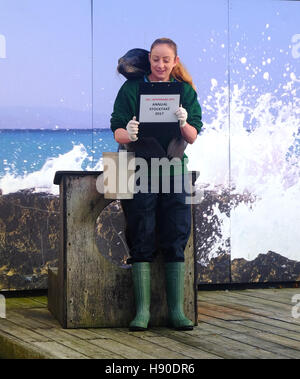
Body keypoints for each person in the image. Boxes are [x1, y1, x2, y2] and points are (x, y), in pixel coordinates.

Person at [110, 38, 203, 331]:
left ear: (175, 61)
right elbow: (116, 131)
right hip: (137, 169)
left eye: (166, 60)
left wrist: (184, 122)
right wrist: (130, 133)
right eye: (155, 59)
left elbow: (192, 136)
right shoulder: (131, 89)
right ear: (148, 60)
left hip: (175, 170)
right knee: (141, 233)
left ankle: (176, 312)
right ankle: (142, 313)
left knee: (176, 234)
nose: (160, 65)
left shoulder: (184, 91)